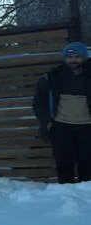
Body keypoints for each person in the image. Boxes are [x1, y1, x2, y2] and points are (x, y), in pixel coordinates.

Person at [33, 41, 91, 184]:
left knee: (88, 164)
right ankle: (65, 196)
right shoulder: (52, 78)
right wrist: (47, 121)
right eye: (69, 57)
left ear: (84, 57)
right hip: (61, 128)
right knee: (64, 165)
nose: (73, 60)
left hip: (88, 128)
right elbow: (39, 103)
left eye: (77, 57)